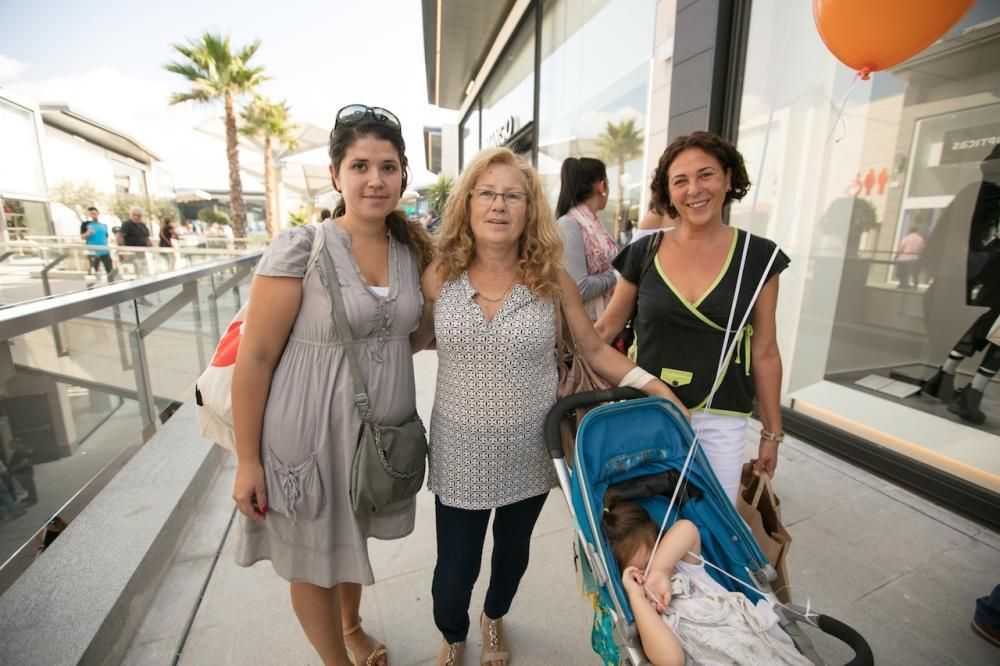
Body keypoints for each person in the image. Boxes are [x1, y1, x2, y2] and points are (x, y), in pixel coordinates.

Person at [411, 147, 687, 666]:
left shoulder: (550, 278)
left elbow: (594, 349)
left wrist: (655, 388)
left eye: (512, 195)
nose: (499, 205)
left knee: (512, 555)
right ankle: (452, 634)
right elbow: (408, 339)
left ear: (529, 207)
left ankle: (493, 618)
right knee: (454, 568)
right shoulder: (439, 275)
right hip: (458, 452)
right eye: (487, 193)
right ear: (468, 203)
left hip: (532, 453)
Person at [230, 103, 431, 666]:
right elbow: (257, 358)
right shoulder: (301, 247)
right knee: (312, 559)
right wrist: (248, 461)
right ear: (335, 175)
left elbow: (418, 334)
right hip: (307, 432)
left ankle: (352, 624)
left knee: (351, 538)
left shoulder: (412, 251)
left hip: (377, 432)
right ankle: (335, 661)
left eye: (388, 167)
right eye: (361, 165)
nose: (375, 179)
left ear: (402, 176)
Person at [596, 131, 789, 502]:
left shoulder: (760, 257)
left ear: (728, 178)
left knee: (710, 530)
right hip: (647, 410)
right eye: (680, 181)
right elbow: (605, 329)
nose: (694, 189)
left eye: (706, 175)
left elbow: (765, 352)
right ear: (668, 193)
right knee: (645, 531)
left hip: (722, 420)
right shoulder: (644, 252)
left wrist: (771, 435)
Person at [602, 496, 810, 665]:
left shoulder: (682, 567)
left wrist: (659, 570)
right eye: (639, 572)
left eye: (651, 560)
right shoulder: (646, 611)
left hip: (749, 638)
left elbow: (687, 529)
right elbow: (672, 660)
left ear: (660, 543)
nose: (646, 575)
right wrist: (637, 597)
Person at [921, 146, 1000, 424]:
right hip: (970, 274)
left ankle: (944, 375)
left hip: (967, 276)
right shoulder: (984, 194)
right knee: (991, 330)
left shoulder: (974, 191)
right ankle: (970, 393)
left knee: (985, 327)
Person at [555, 157, 619, 321]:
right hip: (583, 329)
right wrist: (616, 277)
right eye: (608, 183)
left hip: (601, 322)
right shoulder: (570, 224)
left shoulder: (594, 224)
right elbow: (578, 288)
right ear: (602, 186)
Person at [80, 206, 113, 279]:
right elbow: (82, 236)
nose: (93, 215)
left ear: (98, 213)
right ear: (89, 215)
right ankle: (90, 288)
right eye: (91, 214)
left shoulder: (103, 225)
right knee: (93, 272)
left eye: (94, 213)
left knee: (110, 271)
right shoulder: (86, 224)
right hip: (93, 252)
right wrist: (88, 233)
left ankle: (112, 285)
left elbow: (105, 237)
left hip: (105, 252)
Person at [7, 439, 36, 506]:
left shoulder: (20, 450)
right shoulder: (20, 450)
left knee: (29, 486)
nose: (10, 446)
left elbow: (25, 462)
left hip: (24, 472)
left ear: (15, 443)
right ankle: (30, 497)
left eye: (11, 445)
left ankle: (33, 500)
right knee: (27, 485)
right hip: (24, 472)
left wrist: (14, 468)